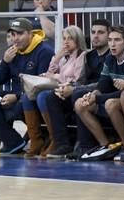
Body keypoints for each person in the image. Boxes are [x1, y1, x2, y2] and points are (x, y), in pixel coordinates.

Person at [0, 18, 53, 155]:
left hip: (33, 97)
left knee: (20, 104)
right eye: (13, 34)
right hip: (17, 94)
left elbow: (42, 84)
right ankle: (13, 142)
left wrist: (16, 96)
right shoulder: (12, 52)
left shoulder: (44, 51)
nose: (15, 38)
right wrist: (5, 62)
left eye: (20, 34)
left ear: (30, 33)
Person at [75, 25, 124, 161]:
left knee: (110, 104)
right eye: (110, 40)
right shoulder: (109, 58)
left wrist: (97, 98)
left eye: (117, 40)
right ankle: (105, 145)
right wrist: (92, 94)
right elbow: (103, 84)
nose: (112, 44)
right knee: (80, 104)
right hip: (114, 97)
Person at [44, 19, 110, 159]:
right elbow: (81, 80)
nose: (96, 36)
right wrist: (69, 87)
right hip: (83, 90)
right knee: (51, 96)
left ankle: (84, 145)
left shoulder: (109, 55)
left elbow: (102, 83)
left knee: (77, 94)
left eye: (100, 32)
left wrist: (72, 89)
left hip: (102, 93)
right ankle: (63, 144)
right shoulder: (90, 56)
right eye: (93, 32)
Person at [22, 25, 87, 158]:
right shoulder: (64, 57)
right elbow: (51, 72)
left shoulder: (82, 55)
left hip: (71, 91)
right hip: (57, 88)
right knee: (26, 97)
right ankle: (36, 140)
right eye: (64, 39)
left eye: (70, 38)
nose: (66, 42)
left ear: (78, 40)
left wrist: (56, 77)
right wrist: (57, 57)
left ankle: (55, 140)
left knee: (43, 97)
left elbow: (78, 79)